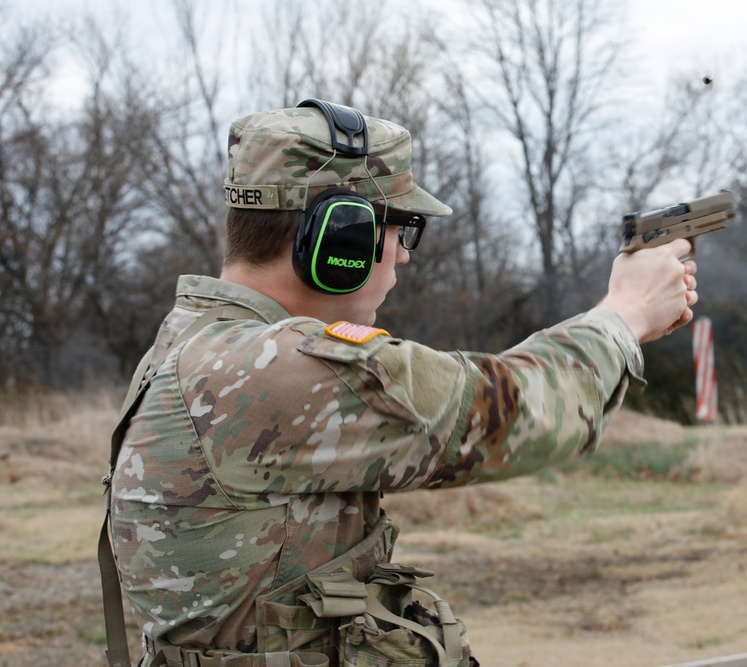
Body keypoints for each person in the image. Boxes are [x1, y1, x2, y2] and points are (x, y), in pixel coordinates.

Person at [105, 99, 697, 667]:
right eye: (401, 229)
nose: (404, 257)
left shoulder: (191, 341)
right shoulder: (270, 369)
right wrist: (626, 314)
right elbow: (519, 411)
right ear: (343, 239)